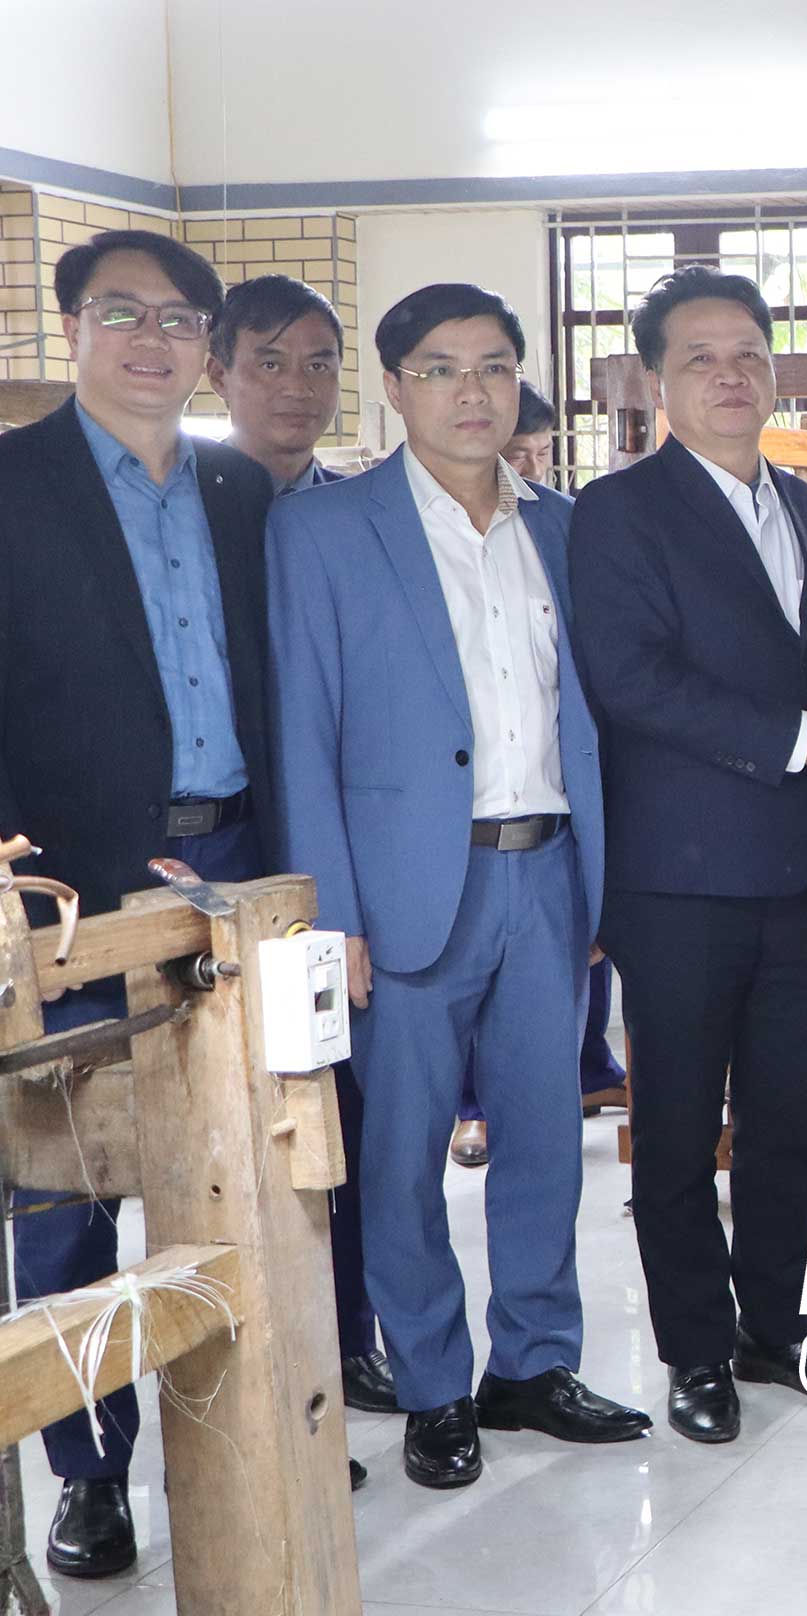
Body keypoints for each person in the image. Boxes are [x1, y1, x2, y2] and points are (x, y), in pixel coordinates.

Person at [270, 282, 652, 1491]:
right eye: (440, 368)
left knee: (546, 1135)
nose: (471, 390)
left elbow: (593, 715)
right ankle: (433, 1383)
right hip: (404, 891)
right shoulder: (325, 530)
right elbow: (304, 730)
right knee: (402, 1152)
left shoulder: (565, 527)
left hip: (550, 872)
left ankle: (533, 1362)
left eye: (492, 365)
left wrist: (603, 884)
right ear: (395, 387)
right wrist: (334, 916)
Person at [571, 267, 807, 1444]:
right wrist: (804, 739)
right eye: (701, 356)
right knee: (673, 1126)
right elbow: (631, 678)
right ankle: (698, 1351)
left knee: (787, 1120)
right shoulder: (619, 511)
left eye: (750, 354)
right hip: (681, 875)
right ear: (657, 378)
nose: (730, 374)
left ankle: (781, 1326)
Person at [0, 229, 279, 1575]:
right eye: (124, 313)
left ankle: (245, 1431)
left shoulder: (242, 488)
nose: (153, 340)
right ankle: (89, 1469)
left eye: (180, 320)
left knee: (240, 1164)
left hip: (239, 866)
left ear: (207, 347)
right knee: (68, 1188)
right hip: (71, 890)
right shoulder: (12, 484)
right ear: (72, 329)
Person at [203, 272, 400, 1420]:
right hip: (223, 857)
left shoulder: (360, 514)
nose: (296, 385)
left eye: (319, 362)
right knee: (228, 1124)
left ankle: (351, 1336)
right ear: (220, 371)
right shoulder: (192, 511)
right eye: (268, 361)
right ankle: (241, 1374)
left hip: (344, 862)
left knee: (346, 1104)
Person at [449, 376, 626, 1169]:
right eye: (516, 450)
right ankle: (471, 1109)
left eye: (538, 452)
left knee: (546, 1128)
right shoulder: (383, 527)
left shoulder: (564, 525)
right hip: (447, 847)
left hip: (555, 835)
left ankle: (587, 1074)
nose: (525, 464)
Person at [205, 273, 346, 493]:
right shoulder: (182, 498)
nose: (298, 389)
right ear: (219, 376)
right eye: (270, 365)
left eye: (317, 366)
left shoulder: (359, 505)